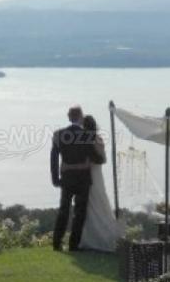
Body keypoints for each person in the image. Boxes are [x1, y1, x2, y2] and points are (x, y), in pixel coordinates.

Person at [50, 105, 104, 251]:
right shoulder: (86, 135)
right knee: (79, 213)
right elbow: (97, 159)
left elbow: (53, 159)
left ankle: (56, 243)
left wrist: (55, 179)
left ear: (69, 117)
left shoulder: (58, 134)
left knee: (63, 210)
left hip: (66, 178)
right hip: (83, 179)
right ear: (80, 117)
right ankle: (73, 245)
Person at [78, 115, 125, 252]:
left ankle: (94, 239)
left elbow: (99, 159)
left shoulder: (87, 140)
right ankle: (96, 237)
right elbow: (103, 159)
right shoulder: (98, 139)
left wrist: (87, 163)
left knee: (93, 203)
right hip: (97, 174)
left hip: (91, 173)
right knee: (97, 202)